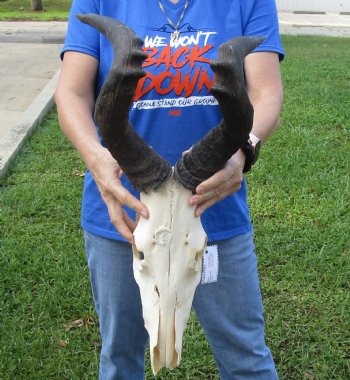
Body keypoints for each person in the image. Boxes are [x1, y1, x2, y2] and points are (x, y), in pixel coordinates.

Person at [55, 0, 284, 378]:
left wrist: (244, 150)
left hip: (214, 210)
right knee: (119, 355)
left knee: (245, 355)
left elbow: (266, 93)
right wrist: (96, 160)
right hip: (122, 214)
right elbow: (72, 92)